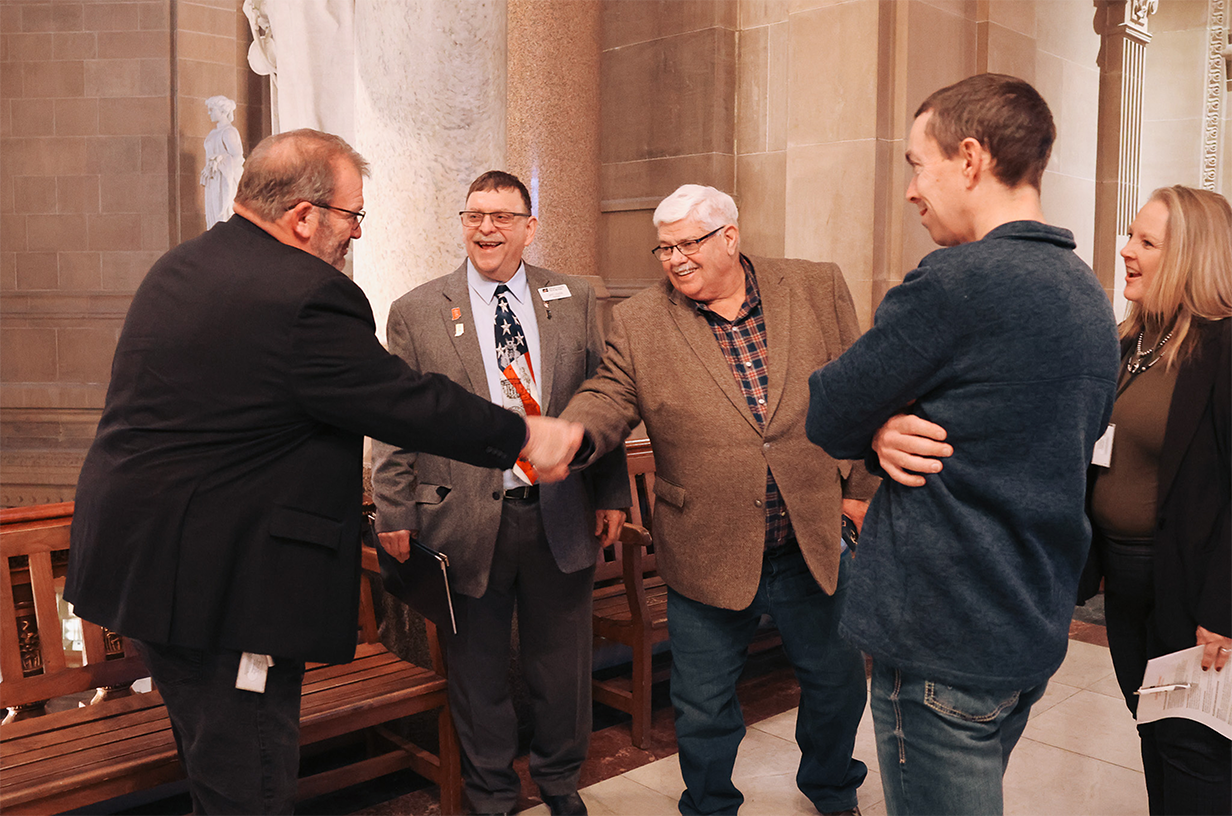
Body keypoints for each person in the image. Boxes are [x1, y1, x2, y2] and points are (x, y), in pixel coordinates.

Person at [63, 129, 582, 816]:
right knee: (251, 787)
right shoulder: (303, 293)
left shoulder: (183, 265)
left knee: (216, 773)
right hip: (227, 590)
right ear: (305, 216)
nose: (356, 234)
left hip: (152, 573)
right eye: (353, 216)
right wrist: (524, 433)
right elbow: (401, 401)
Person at [805, 74, 1120, 816]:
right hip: (1028, 623)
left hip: (945, 633)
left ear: (970, 158)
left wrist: (872, 420)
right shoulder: (1085, 290)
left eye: (919, 164)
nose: (913, 190)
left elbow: (826, 410)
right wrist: (884, 429)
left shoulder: (959, 281)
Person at [561, 184, 875, 816]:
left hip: (809, 539)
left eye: (688, 243)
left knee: (837, 686)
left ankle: (832, 789)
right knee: (703, 707)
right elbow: (609, 394)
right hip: (705, 545)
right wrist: (572, 432)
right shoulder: (640, 320)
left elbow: (863, 388)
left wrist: (861, 489)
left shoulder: (815, 287)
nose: (674, 260)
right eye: (664, 248)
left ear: (730, 237)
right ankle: (708, 805)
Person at [371, 170, 630, 816]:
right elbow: (394, 419)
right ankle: (491, 796)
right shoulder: (417, 310)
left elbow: (606, 400)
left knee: (561, 669)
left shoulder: (576, 298)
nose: (486, 228)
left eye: (502, 216)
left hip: (559, 513)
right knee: (478, 670)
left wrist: (613, 494)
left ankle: (560, 785)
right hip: (461, 522)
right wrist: (394, 507)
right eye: (475, 215)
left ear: (528, 227)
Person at [1084, 186, 1232, 814]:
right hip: (1125, 587)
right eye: (1130, 236)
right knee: (1154, 732)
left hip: (1190, 587)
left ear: (1191, 257)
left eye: (1147, 242)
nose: (1126, 251)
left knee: (1195, 753)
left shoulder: (1222, 349)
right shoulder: (1129, 346)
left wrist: (1223, 608)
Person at [200, 95, 244, 229]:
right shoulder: (213, 133)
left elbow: (237, 157)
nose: (209, 112)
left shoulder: (228, 132)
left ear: (223, 111)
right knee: (213, 212)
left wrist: (219, 161)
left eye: (212, 109)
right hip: (214, 179)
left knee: (223, 212)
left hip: (224, 179)